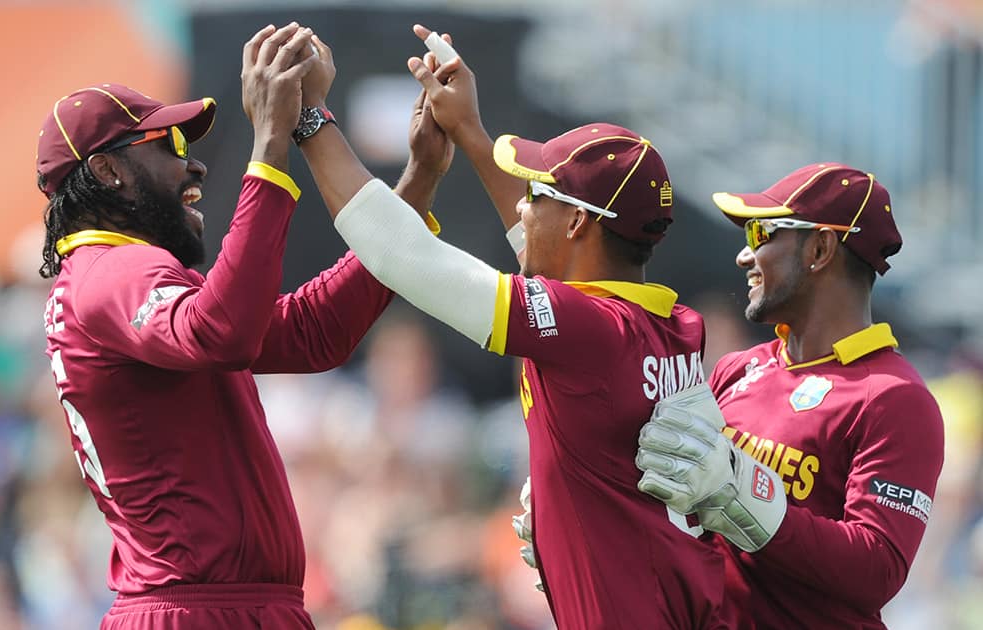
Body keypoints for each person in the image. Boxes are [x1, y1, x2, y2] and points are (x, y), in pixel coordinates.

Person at [293, 29, 730, 630]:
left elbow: (399, 253)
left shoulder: (589, 328)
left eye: (538, 194)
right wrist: (470, 132)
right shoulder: (672, 323)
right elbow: (548, 255)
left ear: (578, 222)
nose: (523, 207)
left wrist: (308, 118)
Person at [37, 22, 450, 629]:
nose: (194, 167)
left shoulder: (125, 279)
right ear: (106, 173)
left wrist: (417, 182)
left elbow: (314, 333)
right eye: (169, 147)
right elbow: (224, 330)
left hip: (227, 607)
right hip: (197, 613)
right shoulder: (111, 271)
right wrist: (270, 141)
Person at [634, 163, 945, 629]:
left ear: (820, 248)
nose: (743, 256)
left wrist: (743, 494)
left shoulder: (895, 399)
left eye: (760, 232)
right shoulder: (738, 368)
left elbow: (877, 568)